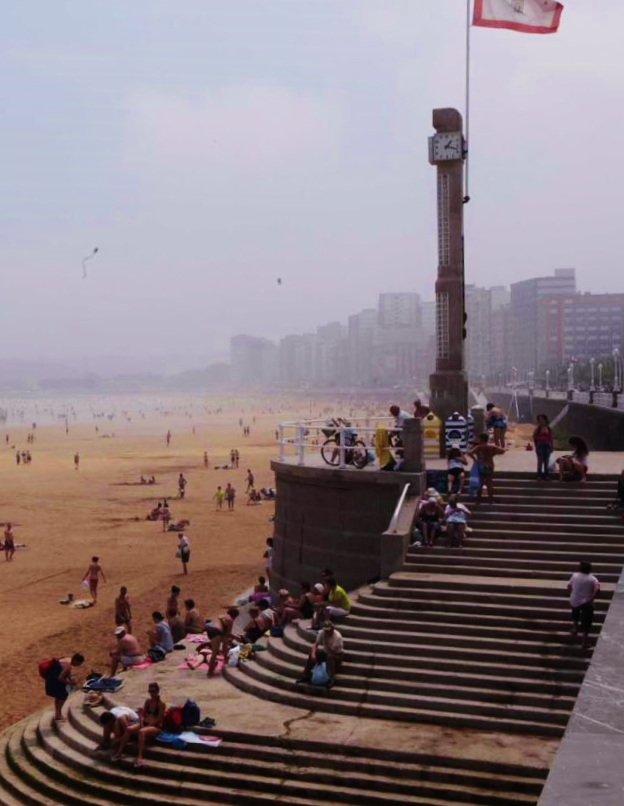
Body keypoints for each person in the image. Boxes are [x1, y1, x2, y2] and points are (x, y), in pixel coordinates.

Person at [113, 682, 166, 767]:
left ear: (157, 691)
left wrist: (148, 726)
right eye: (150, 691)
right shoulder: (148, 701)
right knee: (129, 729)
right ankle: (119, 752)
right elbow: (142, 714)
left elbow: (159, 719)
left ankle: (139, 756)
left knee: (142, 731)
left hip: (155, 727)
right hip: (144, 724)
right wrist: (141, 723)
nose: (151, 693)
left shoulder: (161, 704)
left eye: (153, 691)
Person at [567, 561, 600, 649]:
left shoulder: (574, 575)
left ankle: (575, 628)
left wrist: (574, 593)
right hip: (586, 602)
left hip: (575, 600)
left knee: (575, 611)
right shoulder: (593, 579)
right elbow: (597, 589)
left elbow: (568, 586)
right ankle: (584, 642)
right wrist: (591, 598)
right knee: (586, 621)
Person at [44, 653, 85, 721]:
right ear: (76, 660)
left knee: (59, 696)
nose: (78, 665)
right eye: (78, 663)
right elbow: (60, 677)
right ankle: (58, 715)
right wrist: (70, 683)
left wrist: (70, 678)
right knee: (63, 695)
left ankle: (57, 714)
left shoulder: (67, 659)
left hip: (51, 678)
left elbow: (66, 671)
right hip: (55, 680)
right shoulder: (68, 666)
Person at [468, 434, 506, 505]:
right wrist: (493, 453)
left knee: (480, 483)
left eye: (479, 438)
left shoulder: (478, 447)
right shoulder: (491, 447)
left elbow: (469, 452)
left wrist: (475, 459)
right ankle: (490, 500)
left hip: (481, 466)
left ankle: (478, 500)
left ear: (482, 439)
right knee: (489, 484)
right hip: (489, 466)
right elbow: (502, 451)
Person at [204, 607, 239, 676]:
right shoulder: (230, 620)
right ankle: (210, 672)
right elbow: (228, 634)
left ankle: (213, 667)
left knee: (217, 649)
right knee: (214, 653)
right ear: (235, 616)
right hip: (216, 632)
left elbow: (225, 636)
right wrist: (236, 637)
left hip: (209, 629)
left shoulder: (222, 616)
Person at [533, 414, 554, 481]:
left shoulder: (549, 429)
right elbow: (534, 437)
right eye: (540, 419)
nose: (541, 421)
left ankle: (546, 475)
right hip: (540, 446)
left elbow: (551, 438)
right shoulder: (537, 429)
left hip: (547, 446)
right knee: (540, 461)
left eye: (542, 419)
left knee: (546, 461)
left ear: (545, 420)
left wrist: (552, 446)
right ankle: (539, 475)